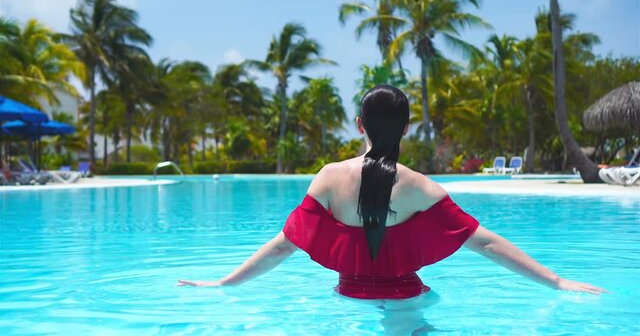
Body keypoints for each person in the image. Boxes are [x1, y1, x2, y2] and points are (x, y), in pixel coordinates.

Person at [178, 85, 605, 298]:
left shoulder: (328, 178)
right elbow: (488, 245)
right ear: (406, 128)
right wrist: (556, 281)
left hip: (348, 296)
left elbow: (281, 247)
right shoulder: (420, 187)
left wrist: (223, 284)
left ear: (359, 125)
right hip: (408, 298)